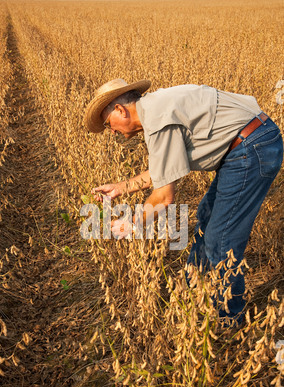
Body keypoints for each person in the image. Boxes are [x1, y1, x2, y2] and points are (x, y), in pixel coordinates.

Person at [84, 78, 283, 325]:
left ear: (120, 110)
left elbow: (164, 197)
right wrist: (121, 188)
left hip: (252, 148)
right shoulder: (156, 108)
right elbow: (164, 169)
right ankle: (192, 292)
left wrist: (131, 224)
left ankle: (229, 320)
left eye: (107, 125)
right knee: (206, 218)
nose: (111, 132)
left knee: (221, 240)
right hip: (248, 142)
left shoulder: (157, 120)